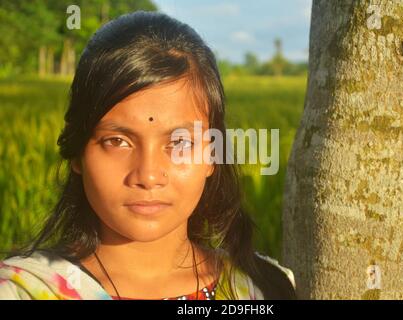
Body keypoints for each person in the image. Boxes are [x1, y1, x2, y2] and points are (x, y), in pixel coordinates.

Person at [0, 11, 296, 300]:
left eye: (180, 142)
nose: (148, 175)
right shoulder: (21, 291)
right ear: (78, 152)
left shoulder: (264, 288)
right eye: (117, 141)